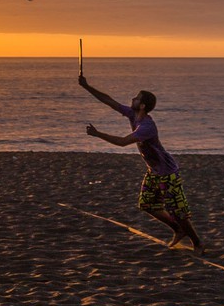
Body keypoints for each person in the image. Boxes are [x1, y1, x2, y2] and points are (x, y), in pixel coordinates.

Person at [80, 73, 203, 251]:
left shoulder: (147, 126)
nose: (133, 99)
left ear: (143, 105)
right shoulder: (133, 115)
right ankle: (178, 229)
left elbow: (123, 142)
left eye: (136, 98)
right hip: (153, 171)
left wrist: (98, 134)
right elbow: (109, 101)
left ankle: (197, 243)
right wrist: (86, 86)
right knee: (147, 204)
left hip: (167, 172)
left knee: (177, 211)